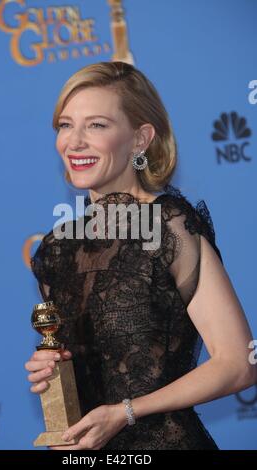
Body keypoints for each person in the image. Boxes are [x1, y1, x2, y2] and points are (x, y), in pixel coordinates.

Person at [25, 61, 256, 450]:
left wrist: (125, 412)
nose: (74, 141)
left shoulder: (170, 226)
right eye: (66, 125)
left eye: (96, 125)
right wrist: (53, 372)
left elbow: (237, 364)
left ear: (140, 139)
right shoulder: (56, 249)